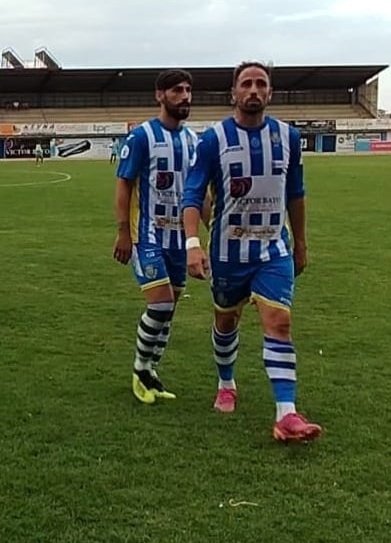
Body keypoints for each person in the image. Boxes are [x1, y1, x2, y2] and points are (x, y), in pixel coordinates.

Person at [181, 61, 323, 443]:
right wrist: (193, 245)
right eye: (247, 84)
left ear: (270, 93)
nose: (254, 90)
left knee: (279, 322)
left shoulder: (288, 138)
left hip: (274, 250)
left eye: (261, 84)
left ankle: (286, 414)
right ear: (234, 93)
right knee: (226, 323)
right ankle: (226, 381)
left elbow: (296, 192)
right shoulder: (213, 140)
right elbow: (193, 194)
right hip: (229, 254)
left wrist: (301, 242)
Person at [113, 69, 204, 404]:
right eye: (177, 90)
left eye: (188, 90)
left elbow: (199, 195)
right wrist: (124, 232)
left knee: (170, 308)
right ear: (160, 95)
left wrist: (214, 235)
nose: (185, 96)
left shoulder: (194, 142)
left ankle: (151, 371)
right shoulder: (142, 137)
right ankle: (140, 370)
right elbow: (123, 184)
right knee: (161, 303)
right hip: (147, 237)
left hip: (180, 241)